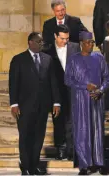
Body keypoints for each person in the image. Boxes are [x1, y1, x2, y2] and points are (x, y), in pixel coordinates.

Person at [9, 32, 60, 175]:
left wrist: (56, 102)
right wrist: (14, 104)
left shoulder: (48, 59)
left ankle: (34, 165)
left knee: (39, 136)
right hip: (24, 107)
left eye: (42, 41)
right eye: (39, 41)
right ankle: (25, 166)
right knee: (25, 136)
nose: (41, 44)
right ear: (30, 42)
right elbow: (13, 83)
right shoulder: (18, 60)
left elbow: (53, 83)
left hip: (43, 106)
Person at [64, 31, 109, 175]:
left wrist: (100, 90)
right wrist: (85, 86)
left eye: (92, 42)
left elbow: (107, 78)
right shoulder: (73, 59)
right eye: (88, 42)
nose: (90, 45)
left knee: (97, 130)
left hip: (96, 99)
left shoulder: (99, 57)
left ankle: (99, 162)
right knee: (82, 130)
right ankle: (84, 164)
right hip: (80, 101)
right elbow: (68, 80)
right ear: (81, 43)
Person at [43, 24, 80, 160]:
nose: (65, 41)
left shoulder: (75, 47)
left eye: (67, 38)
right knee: (58, 120)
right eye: (62, 38)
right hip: (55, 90)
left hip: (72, 89)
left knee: (72, 120)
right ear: (55, 36)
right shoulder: (47, 50)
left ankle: (71, 150)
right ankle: (61, 148)